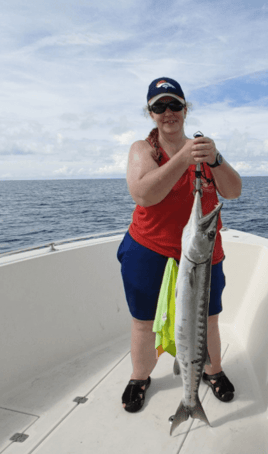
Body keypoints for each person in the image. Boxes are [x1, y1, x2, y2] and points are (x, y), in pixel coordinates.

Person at [117, 77, 242, 413]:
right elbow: (144, 194)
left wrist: (214, 160)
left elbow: (233, 191)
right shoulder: (143, 150)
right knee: (144, 321)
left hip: (202, 252)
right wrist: (183, 159)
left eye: (174, 104)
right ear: (151, 113)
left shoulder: (204, 150)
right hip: (149, 247)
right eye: (160, 106)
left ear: (186, 109)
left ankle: (211, 369)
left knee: (209, 318)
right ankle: (140, 376)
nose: (168, 112)